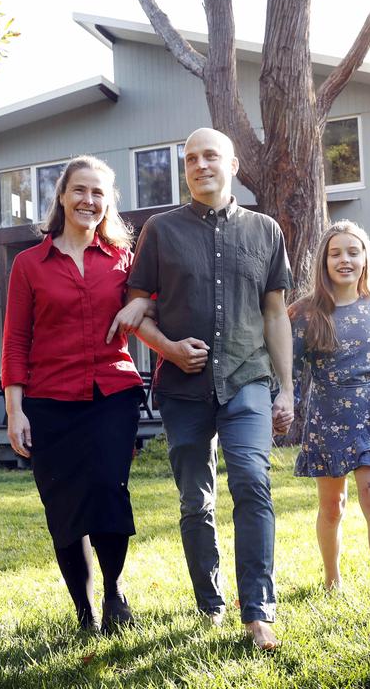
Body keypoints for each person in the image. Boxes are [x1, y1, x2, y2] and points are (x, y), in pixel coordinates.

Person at [110, 127, 294, 651]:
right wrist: (166, 349)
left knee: (253, 483)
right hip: (183, 390)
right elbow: (136, 308)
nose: (199, 165)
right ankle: (211, 602)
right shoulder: (160, 232)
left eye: (210, 155)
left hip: (247, 378)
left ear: (232, 164)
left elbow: (276, 314)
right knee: (196, 500)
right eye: (190, 159)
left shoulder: (265, 230)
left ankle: (258, 611)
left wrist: (286, 390)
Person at [1, 156, 150, 634]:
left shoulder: (125, 262)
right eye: (79, 190)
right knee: (64, 506)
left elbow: (151, 305)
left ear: (108, 204)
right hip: (49, 399)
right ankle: (84, 614)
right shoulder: (29, 265)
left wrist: (145, 298)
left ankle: (113, 593)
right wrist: (14, 409)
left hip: (113, 392)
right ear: (62, 196)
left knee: (108, 490)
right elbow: (15, 340)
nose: (89, 200)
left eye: (98, 193)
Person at [288, 220, 370, 631]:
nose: (345, 259)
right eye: (336, 253)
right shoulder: (304, 313)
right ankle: (331, 578)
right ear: (324, 260)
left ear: (364, 258)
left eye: (353, 251)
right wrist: (286, 406)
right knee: (331, 506)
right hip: (327, 414)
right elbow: (291, 369)